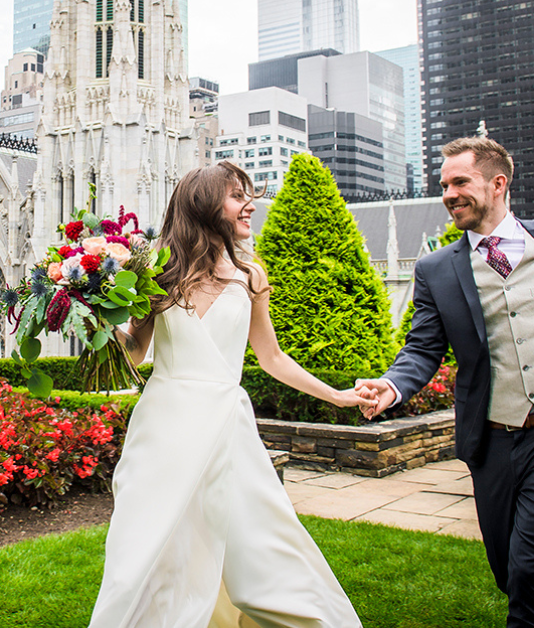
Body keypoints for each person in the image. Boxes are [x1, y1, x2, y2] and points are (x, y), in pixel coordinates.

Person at [355, 137, 534, 628]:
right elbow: (423, 347)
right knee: (507, 569)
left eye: (460, 182)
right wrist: (392, 385)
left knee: (528, 571)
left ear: (498, 183)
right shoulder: (436, 269)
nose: (448, 193)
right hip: (492, 439)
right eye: (444, 185)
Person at [88, 161, 368, 628]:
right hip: (163, 430)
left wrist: (338, 397)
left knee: (265, 543)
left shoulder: (251, 276)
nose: (250, 204)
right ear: (204, 203)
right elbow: (134, 355)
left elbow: (272, 358)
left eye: (248, 194)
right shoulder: (155, 275)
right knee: (142, 549)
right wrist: (96, 312)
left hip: (226, 425)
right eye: (238, 195)